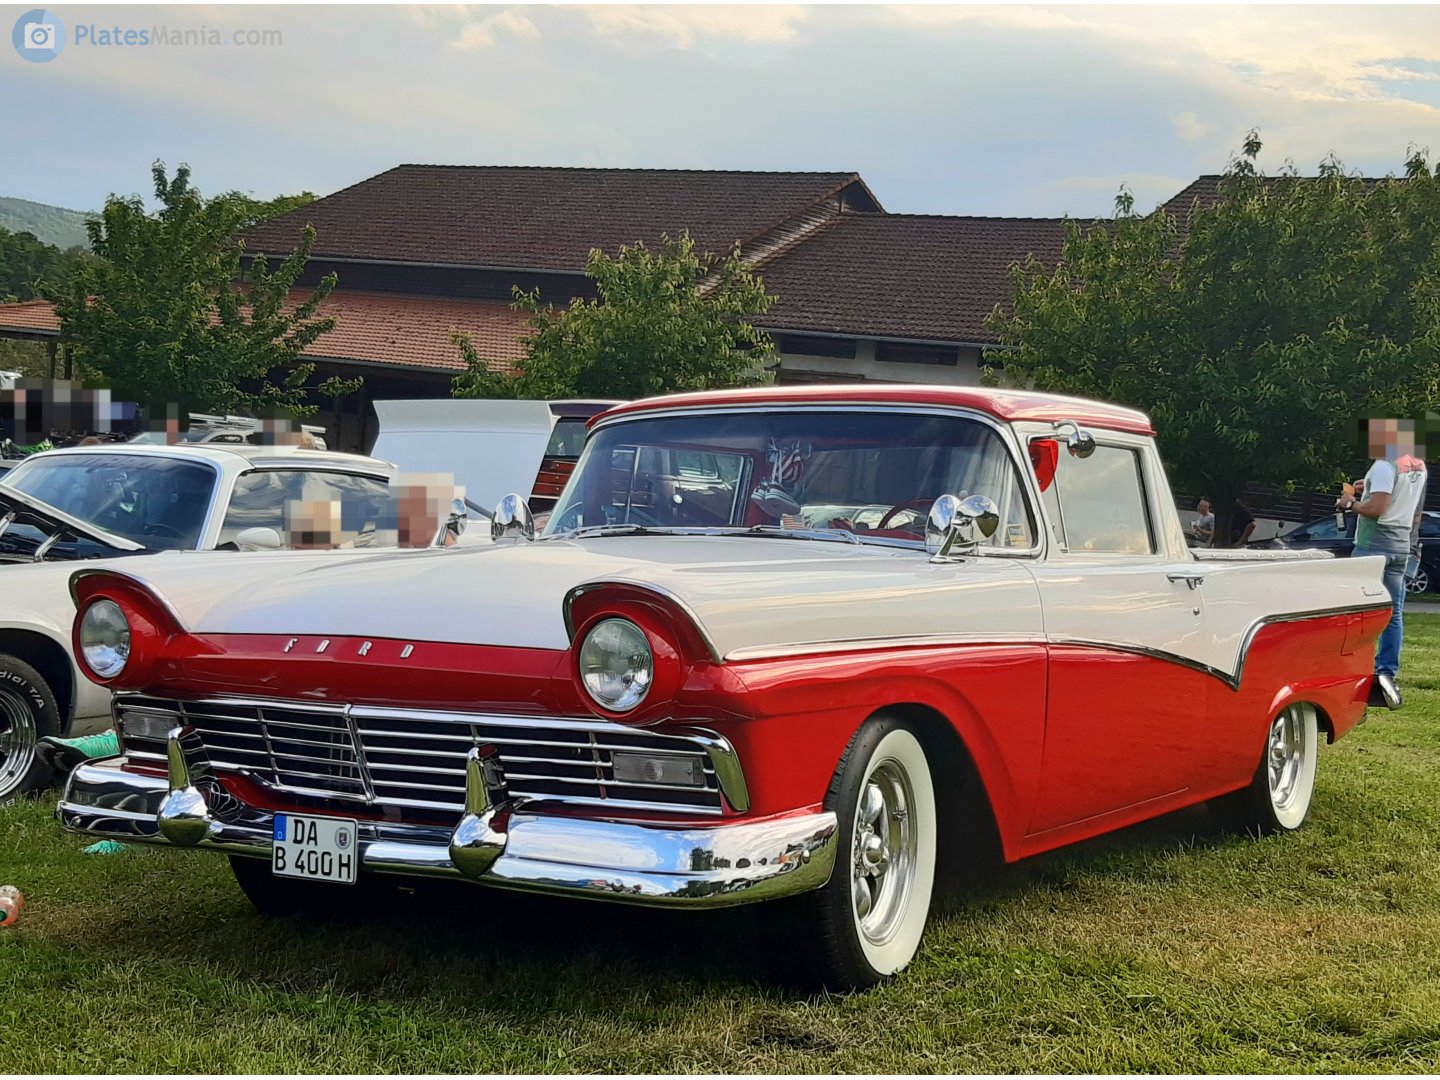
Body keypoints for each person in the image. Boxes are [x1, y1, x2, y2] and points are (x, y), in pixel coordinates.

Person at [1338, 417, 1429, 707]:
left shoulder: (1383, 466)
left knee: (1355, 609)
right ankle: (1386, 671)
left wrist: (1350, 503)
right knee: (1393, 613)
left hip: (1373, 545)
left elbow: (1377, 508)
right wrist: (1368, 486)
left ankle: (1350, 669)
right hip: (1400, 545)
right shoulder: (1417, 464)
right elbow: (1401, 499)